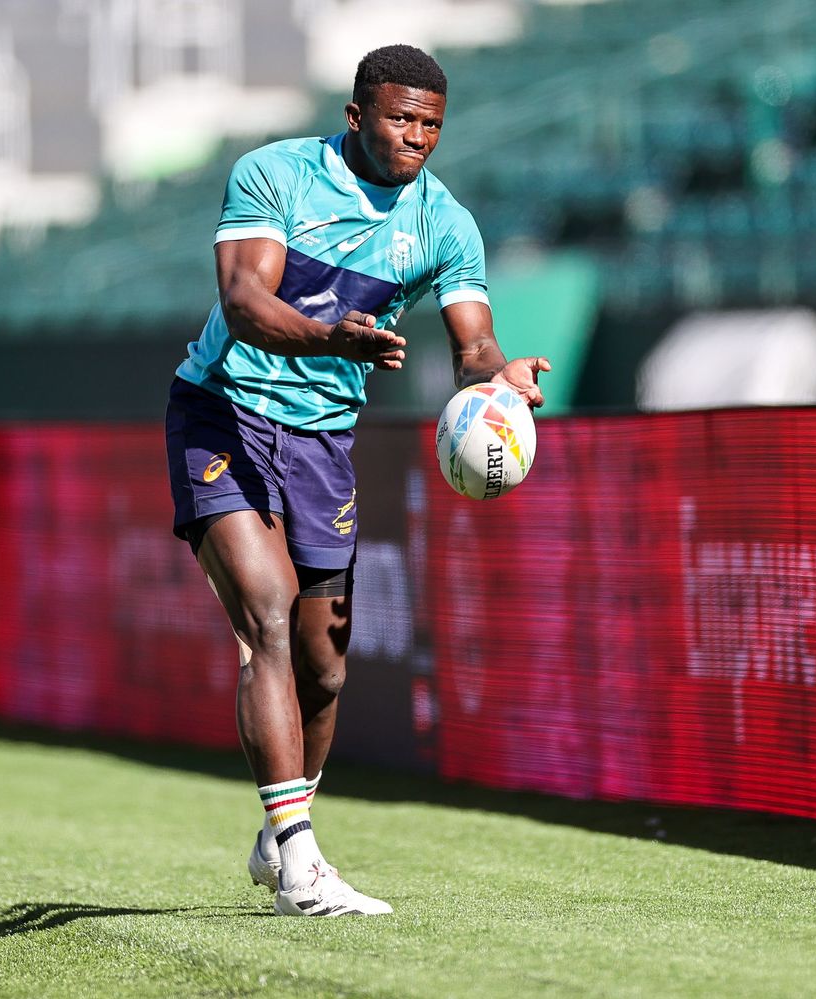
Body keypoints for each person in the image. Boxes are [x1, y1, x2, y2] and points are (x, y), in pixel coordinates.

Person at [165, 44, 549, 917]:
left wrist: (498, 380)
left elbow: (473, 345)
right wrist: (329, 337)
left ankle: (278, 832)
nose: (416, 137)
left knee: (325, 671)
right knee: (265, 615)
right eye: (400, 118)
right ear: (355, 115)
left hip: (322, 440)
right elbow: (243, 302)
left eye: (431, 125)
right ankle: (301, 862)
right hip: (221, 411)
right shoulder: (275, 175)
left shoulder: (446, 224)